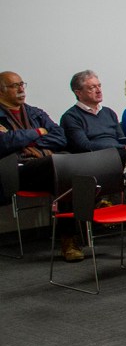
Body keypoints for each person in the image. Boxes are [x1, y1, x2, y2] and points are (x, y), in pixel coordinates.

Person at [0, 72, 74, 259]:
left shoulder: (34, 112)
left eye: (22, 84)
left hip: (45, 167)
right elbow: (5, 143)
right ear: (1, 91)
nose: (21, 89)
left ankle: (69, 239)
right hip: (17, 171)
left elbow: (60, 136)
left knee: (67, 172)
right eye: (15, 86)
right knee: (62, 164)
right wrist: (38, 132)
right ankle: (71, 237)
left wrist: (27, 142)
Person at [60, 70, 126, 153]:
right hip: (94, 157)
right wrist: (121, 147)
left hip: (119, 153)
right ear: (78, 93)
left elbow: (122, 140)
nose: (99, 91)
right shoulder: (71, 117)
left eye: (99, 86)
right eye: (92, 88)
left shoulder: (109, 112)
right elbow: (84, 145)